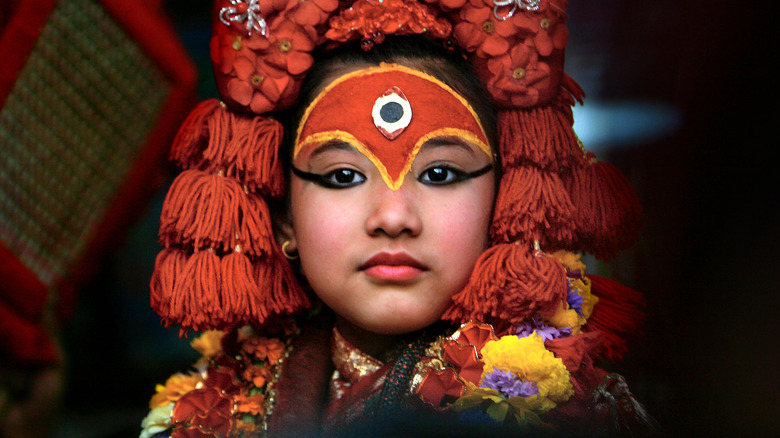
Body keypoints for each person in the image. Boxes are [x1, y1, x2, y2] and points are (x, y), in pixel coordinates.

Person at [141, 0, 659, 437]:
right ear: (284, 219)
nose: (393, 217)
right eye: (343, 177)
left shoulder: (568, 416)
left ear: (506, 201)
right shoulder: (216, 403)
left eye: (439, 173)